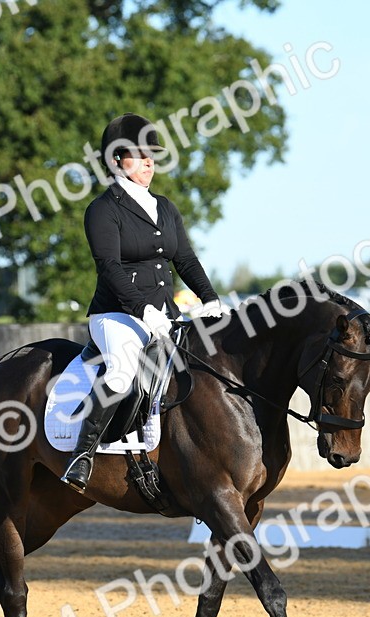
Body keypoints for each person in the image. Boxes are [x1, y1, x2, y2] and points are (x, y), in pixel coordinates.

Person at [61, 112, 226, 492]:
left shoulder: (165, 207)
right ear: (117, 160)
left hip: (167, 314)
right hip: (117, 315)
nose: (150, 161)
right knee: (120, 372)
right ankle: (82, 456)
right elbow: (109, 267)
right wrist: (143, 310)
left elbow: (185, 259)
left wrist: (210, 297)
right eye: (139, 154)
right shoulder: (103, 209)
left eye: (152, 154)